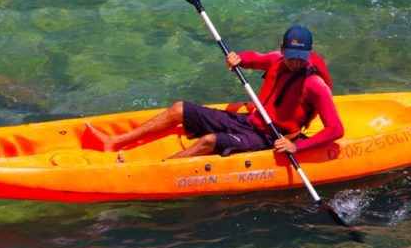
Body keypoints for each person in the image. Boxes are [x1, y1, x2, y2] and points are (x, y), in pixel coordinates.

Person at [85, 26, 344, 158]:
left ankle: (162, 168)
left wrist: (296, 147)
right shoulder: (278, 59)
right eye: (291, 56)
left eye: (300, 58)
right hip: (251, 121)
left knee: (209, 141)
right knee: (179, 109)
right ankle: (114, 142)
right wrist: (238, 58)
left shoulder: (315, 85)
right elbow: (255, 58)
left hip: (271, 138)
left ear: (308, 53)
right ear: (282, 48)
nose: (295, 62)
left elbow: (335, 129)